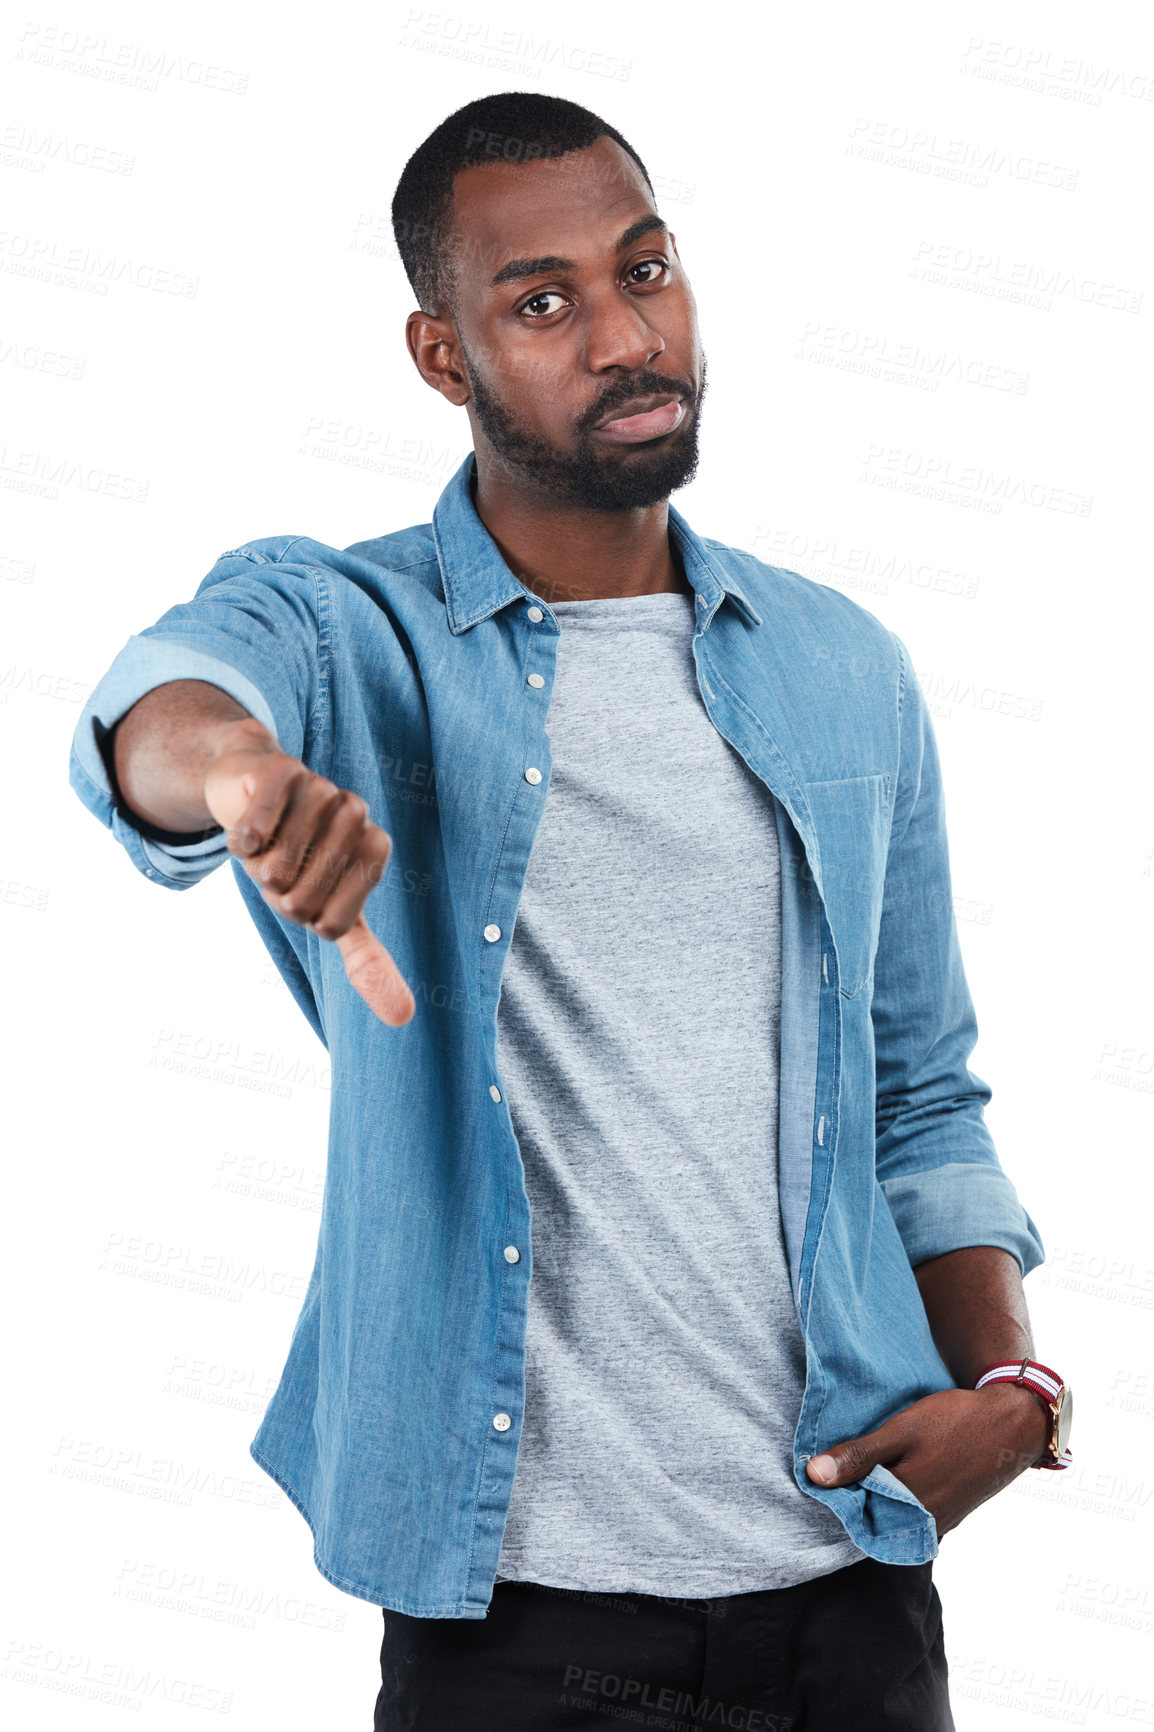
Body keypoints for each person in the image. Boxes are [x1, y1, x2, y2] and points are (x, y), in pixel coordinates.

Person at [68, 91, 1072, 1731]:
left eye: (646, 271)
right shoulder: (354, 628)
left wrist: (1011, 1394)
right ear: (442, 356)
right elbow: (159, 702)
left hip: (850, 1594)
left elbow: (918, 1090)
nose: (624, 336)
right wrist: (243, 776)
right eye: (542, 301)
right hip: (519, 1623)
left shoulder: (841, 668)